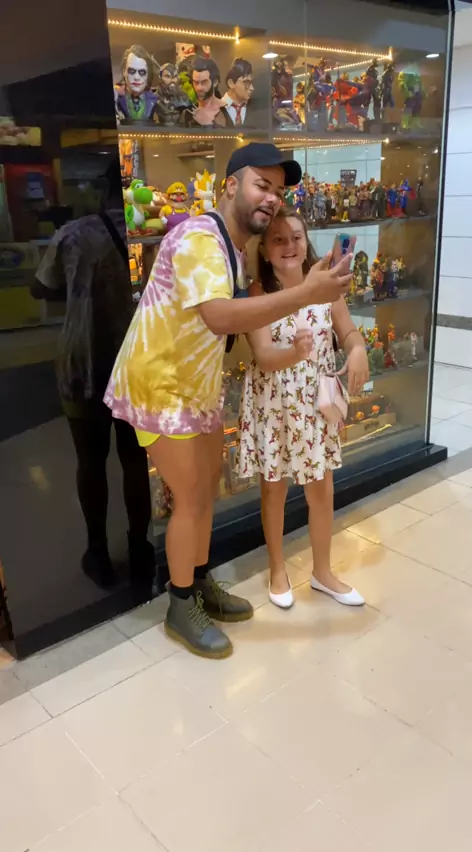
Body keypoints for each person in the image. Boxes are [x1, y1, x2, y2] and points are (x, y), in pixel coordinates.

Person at [104, 142, 354, 659]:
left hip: (196, 387)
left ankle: (197, 583)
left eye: (278, 190)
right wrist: (305, 294)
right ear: (230, 185)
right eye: (262, 185)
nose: (271, 197)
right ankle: (180, 604)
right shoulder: (199, 236)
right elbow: (218, 316)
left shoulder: (232, 248)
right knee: (191, 496)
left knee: (206, 491)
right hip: (159, 387)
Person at [237, 207, 369, 609]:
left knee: (322, 490)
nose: (289, 245)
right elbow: (263, 355)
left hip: (314, 405)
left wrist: (358, 348)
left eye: (295, 236)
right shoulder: (258, 294)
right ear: (265, 249)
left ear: (306, 240)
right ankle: (277, 568)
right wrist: (294, 353)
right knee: (274, 488)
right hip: (275, 404)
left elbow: (347, 330)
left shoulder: (325, 286)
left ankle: (322, 571)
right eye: (278, 239)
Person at [33, 158, 154, 589]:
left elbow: (40, 287)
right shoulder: (148, 235)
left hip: (82, 361)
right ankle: (140, 547)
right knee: (135, 459)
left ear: (102, 192)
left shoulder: (72, 234)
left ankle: (98, 553)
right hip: (134, 363)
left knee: (90, 460)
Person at [223, 58, 254, 126]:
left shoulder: (255, 109)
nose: (252, 88)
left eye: (251, 83)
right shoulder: (216, 109)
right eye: (246, 82)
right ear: (231, 83)